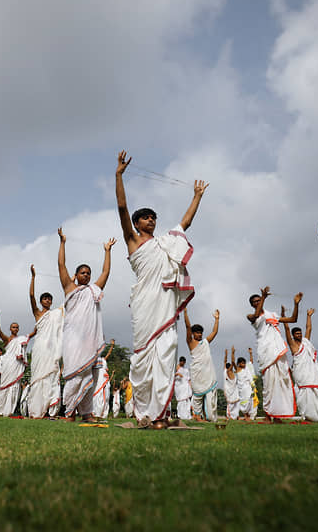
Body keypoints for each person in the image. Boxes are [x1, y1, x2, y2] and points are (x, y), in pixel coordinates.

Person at [115, 150, 207, 428]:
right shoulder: (133, 242)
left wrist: (197, 196)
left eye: (154, 217)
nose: (151, 220)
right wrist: (119, 176)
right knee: (143, 361)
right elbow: (121, 208)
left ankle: (161, 416)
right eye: (146, 218)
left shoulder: (166, 243)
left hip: (165, 308)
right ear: (137, 223)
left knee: (166, 355)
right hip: (144, 306)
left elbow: (186, 222)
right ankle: (145, 413)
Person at [57, 227, 114, 422]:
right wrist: (62, 243)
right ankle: (69, 412)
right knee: (74, 375)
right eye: (83, 273)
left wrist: (107, 251)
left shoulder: (93, 290)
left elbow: (106, 271)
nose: (87, 276)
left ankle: (86, 413)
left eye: (89, 273)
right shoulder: (70, 288)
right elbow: (61, 264)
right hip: (73, 340)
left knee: (89, 378)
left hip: (89, 342)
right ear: (76, 275)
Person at [247, 287, 301, 423]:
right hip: (266, 352)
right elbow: (256, 315)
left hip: (277, 350)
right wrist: (263, 297)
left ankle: (277, 415)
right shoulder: (251, 316)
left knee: (281, 382)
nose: (257, 302)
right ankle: (267, 415)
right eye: (255, 302)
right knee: (268, 383)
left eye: (258, 300)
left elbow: (293, 319)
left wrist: (296, 304)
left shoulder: (272, 315)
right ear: (252, 305)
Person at [27, 265, 64, 418]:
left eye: (49, 299)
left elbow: (67, 302)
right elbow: (31, 296)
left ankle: (49, 410)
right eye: (45, 298)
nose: (47, 300)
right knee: (37, 377)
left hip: (51, 348)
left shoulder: (56, 314)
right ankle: (36, 410)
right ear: (42, 301)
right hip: (40, 347)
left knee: (50, 376)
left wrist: (73, 280)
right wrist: (33, 277)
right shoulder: (37, 313)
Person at [283, 307, 318, 422]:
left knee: (315, 391)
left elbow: (309, 328)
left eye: (300, 333)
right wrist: (284, 318)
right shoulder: (293, 345)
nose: (299, 335)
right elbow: (287, 330)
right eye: (297, 333)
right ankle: (305, 415)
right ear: (293, 335)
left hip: (311, 372)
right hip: (301, 372)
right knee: (303, 391)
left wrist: (309, 316)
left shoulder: (306, 342)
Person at [0, 308, 34, 417]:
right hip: (8, 364)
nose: (15, 329)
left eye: (17, 327)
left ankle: (10, 411)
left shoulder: (21, 339)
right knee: (4, 386)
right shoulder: (7, 340)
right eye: (13, 327)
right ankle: (1, 411)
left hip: (16, 366)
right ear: (10, 329)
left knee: (15, 387)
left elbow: (32, 334)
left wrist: (40, 322)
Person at [184, 308, 220, 422]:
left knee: (210, 394)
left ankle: (209, 416)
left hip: (207, 373)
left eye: (201, 333)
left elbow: (214, 332)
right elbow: (188, 327)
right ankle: (197, 416)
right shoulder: (191, 342)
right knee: (198, 395)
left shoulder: (205, 342)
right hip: (197, 372)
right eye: (197, 333)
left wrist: (217, 319)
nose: (199, 335)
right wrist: (185, 313)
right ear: (193, 334)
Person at [92, 340, 114, 419]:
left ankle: (103, 414)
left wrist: (112, 346)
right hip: (97, 380)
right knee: (97, 395)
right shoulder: (93, 360)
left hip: (104, 380)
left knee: (106, 396)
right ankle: (96, 413)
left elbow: (108, 354)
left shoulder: (103, 360)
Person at [236, 356, 257, 420]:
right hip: (241, 389)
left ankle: (248, 415)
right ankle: (245, 415)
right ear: (239, 363)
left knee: (249, 401)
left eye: (244, 363)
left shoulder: (246, 369)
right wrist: (233, 354)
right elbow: (233, 362)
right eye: (242, 363)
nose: (244, 364)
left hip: (248, 387)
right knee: (243, 402)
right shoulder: (237, 369)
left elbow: (251, 362)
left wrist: (250, 354)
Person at [174, 356, 192, 421]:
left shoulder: (186, 369)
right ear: (180, 361)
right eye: (181, 362)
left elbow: (188, 379)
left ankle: (187, 415)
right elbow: (171, 375)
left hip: (185, 386)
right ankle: (180, 414)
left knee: (186, 401)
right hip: (179, 387)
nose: (182, 363)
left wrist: (190, 386)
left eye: (183, 362)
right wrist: (178, 374)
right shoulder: (176, 368)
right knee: (181, 401)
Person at [223, 349, 239, 421]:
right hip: (230, 391)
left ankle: (235, 416)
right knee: (231, 405)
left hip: (233, 391)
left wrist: (226, 354)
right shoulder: (228, 372)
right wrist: (233, 353)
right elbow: (233, 362)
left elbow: (224, 362)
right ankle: (229, 416)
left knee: (235, 405)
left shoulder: (225, 371)